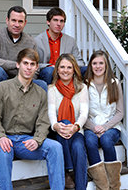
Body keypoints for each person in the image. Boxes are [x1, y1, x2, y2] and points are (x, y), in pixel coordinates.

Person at [0, 48, 65, 190]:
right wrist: (0, 137)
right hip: (4, 138)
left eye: (32, 64)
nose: (28, 68)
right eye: (25, 63)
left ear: (36, 68)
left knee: (56, 147)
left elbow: (43, 121)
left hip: (25, 141)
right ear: (18, 65)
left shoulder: (40, 93)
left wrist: (37, 139)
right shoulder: (2, 88)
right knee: (3, 152)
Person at [0, 5, 47, 100]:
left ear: (25, 23)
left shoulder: (30, 41)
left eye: (20, 21)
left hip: (20, 82)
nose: (17, 24)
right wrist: (16, 65)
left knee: (42, 85)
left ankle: (39, 113)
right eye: (14, 20)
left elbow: (35, 69)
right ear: (7, 20)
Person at [48, 54, 89, 190]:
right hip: (58, 131)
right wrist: (55, 126)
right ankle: (70, 170)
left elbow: (84, 113)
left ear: (74, 70)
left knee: (78, 147)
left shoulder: (82, 88)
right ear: (57, 70)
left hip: (76, 130)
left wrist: (76, 127)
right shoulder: (52, 89)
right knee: (63, 121)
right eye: (62, 67)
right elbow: (51, 112)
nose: (65, 70)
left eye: (69, 67)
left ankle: (76, 180)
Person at [83, 50, 124, 190]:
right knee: (89, 141)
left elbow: (120, 112)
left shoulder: (114, 83)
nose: (98, 66)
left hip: (111, 126)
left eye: (101, 63)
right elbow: (81, 112)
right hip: (90, 125)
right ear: (90, 65)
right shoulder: (85, 84)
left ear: (106, 65)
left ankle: (114, 186)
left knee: (106, 140)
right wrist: (93, 127)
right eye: (94, 63)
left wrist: (105, 127)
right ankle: (103, 186)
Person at [35, 7, 86, 85]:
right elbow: (34, 64)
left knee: (86, 70)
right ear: (48, 22)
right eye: (55, 20)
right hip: (47, 73)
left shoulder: (70, 41)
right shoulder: (37, 41)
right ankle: (48, 95)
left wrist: (68, 67)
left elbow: (80, 62)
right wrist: (50, 66)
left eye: (61, 21)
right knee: (49, 71)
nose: (59, 24)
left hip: (66, 72)